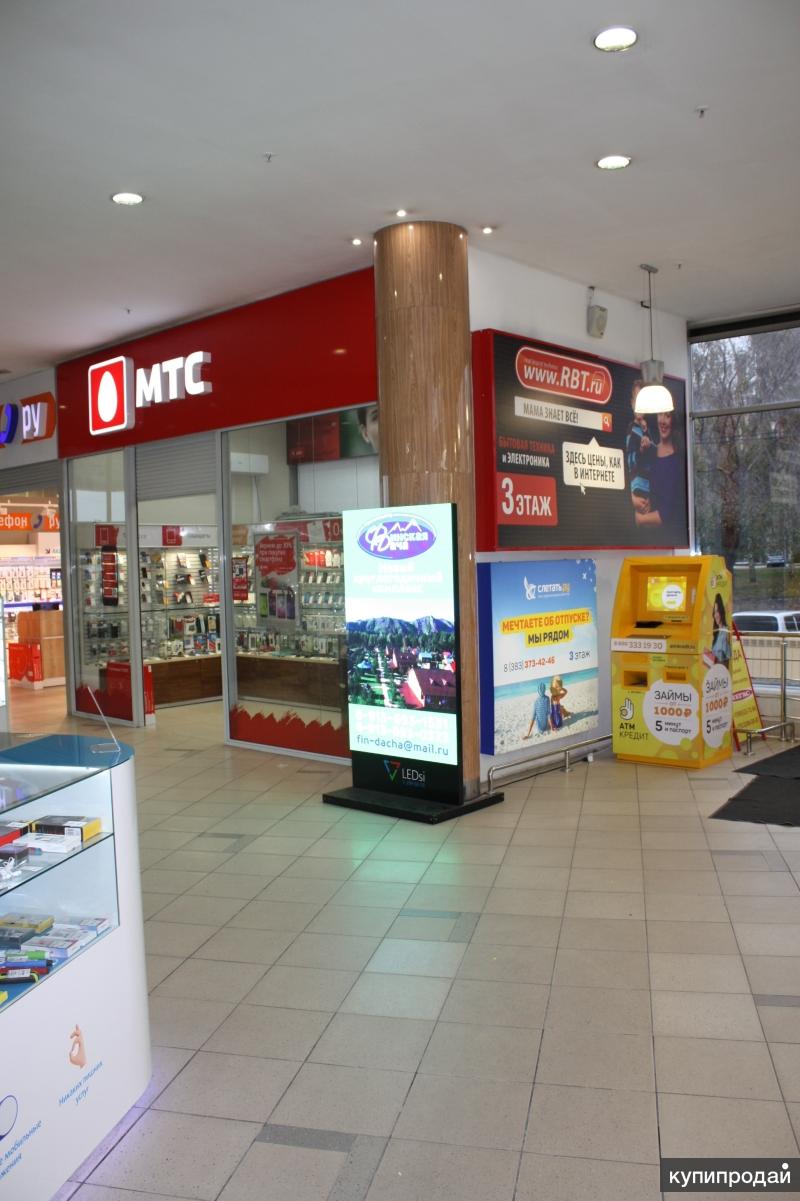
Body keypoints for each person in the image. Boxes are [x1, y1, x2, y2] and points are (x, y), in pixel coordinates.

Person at [634, 409, 684, 541]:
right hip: (644, 538)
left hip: (664, 540)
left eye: (668, 416)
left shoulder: (676, 462)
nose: (663, 421)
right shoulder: (651, 450)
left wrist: (639, 519)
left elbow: (665, 515)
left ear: (673, 420)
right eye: (660, 414)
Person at [625, 380, 657, 518]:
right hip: (636, 490)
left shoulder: (649, 430)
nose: (639, 406)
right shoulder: (631, 429)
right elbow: (629, 461)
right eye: (637, 401)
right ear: (632, 403)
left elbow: (656, 456)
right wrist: (641, 451)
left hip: (649, 492)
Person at [710, 592, 731, 666]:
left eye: (717, 611)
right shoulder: (716, 632)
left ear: (721, 612)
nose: (715, 615)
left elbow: (726, 660)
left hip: (721, 670)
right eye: (714, 612)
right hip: (714, 670)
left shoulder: (726, 631)